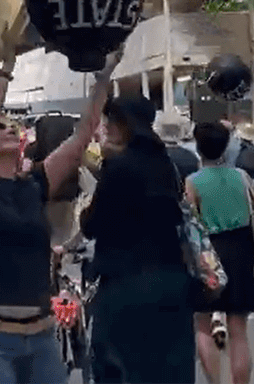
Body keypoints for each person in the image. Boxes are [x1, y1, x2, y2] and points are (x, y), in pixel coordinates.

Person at [0, 31, 113, 384]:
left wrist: (105, 74)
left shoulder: (33, 185)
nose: (8, 128)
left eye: (11, 125)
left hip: (40, 338)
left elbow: (80, 137)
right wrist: (6, 69)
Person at [84, 96, 194, 384]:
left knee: (121, 368)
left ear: (120, 126)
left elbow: (92, 224)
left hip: (126, 286)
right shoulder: (166, 165)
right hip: (171, 282)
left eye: (109, 122)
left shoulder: (118, 167)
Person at [187, 121, 254, 384]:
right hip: (241, 250)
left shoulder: (193, 182)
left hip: (208, 253)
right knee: (239, 329)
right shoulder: (241, 177)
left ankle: (214, 382)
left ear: (198, 147)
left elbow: (191, 222)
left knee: (203, 324)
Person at [24, 111, 82, 246]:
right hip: (67, 198)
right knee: (62, 239)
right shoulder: (72, 154)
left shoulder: (33, 152)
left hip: (47, 202)